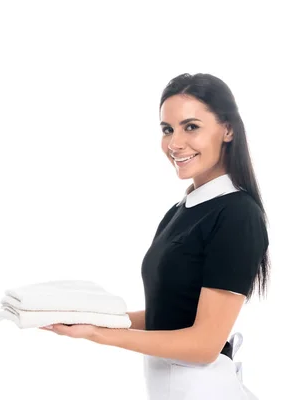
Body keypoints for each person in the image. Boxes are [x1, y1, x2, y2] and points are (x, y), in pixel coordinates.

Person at [40, 73, 270, 399]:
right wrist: (93, 317)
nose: (174, 143)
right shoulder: (183, 209)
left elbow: (204, 345)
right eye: (167, 129)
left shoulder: (237, 215)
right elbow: (170, 313)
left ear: (228, 130)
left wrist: (97, 334)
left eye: (191, 126)